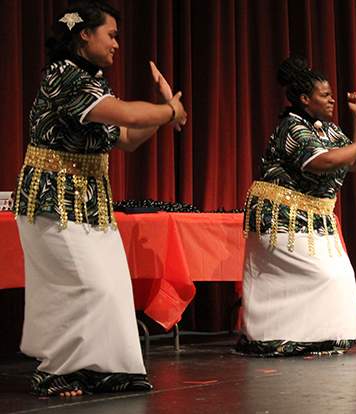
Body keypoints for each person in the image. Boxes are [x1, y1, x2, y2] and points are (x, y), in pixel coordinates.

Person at [13, 0, 187, 396]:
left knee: (111, 286)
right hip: (51, 201)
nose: (116, 45)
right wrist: (169, 111)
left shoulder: (91, 83)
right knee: (83, 286)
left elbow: (125, 139)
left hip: (88, 203)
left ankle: (101, 367)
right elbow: (126, 115)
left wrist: (164, 114)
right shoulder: (65, 76)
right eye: (111, 35)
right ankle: (54, 369)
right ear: (84, 35)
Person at [235, 56, 356, 357]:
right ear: (305, 99)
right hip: (281, 213)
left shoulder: (327, 130)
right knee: (321, 275)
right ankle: (271, 335)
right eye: (325, 95)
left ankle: (318, 336)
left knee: (338, 275)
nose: (332, 100)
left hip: (314, 214)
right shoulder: (293, 127)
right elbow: (322, 161)